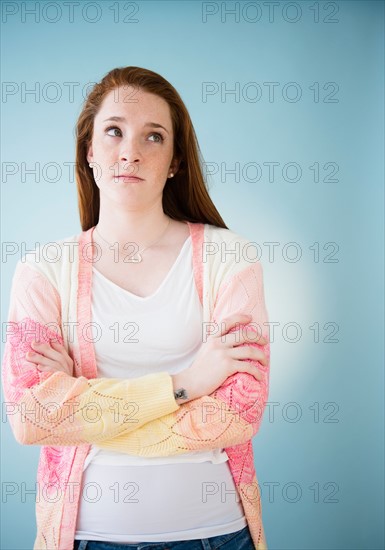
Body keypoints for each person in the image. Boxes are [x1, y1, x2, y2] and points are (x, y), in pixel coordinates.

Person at [2, 66, 271, 550]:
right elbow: (31, 419)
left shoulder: (230, 257)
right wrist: (187, 383)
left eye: (154, 136)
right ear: (89, 151)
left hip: (217, 536)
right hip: (86, 539)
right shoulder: (42, 270)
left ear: (174, 162)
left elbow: (239, 413)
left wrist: (84, 401)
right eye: (114, 131)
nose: (130, 151)